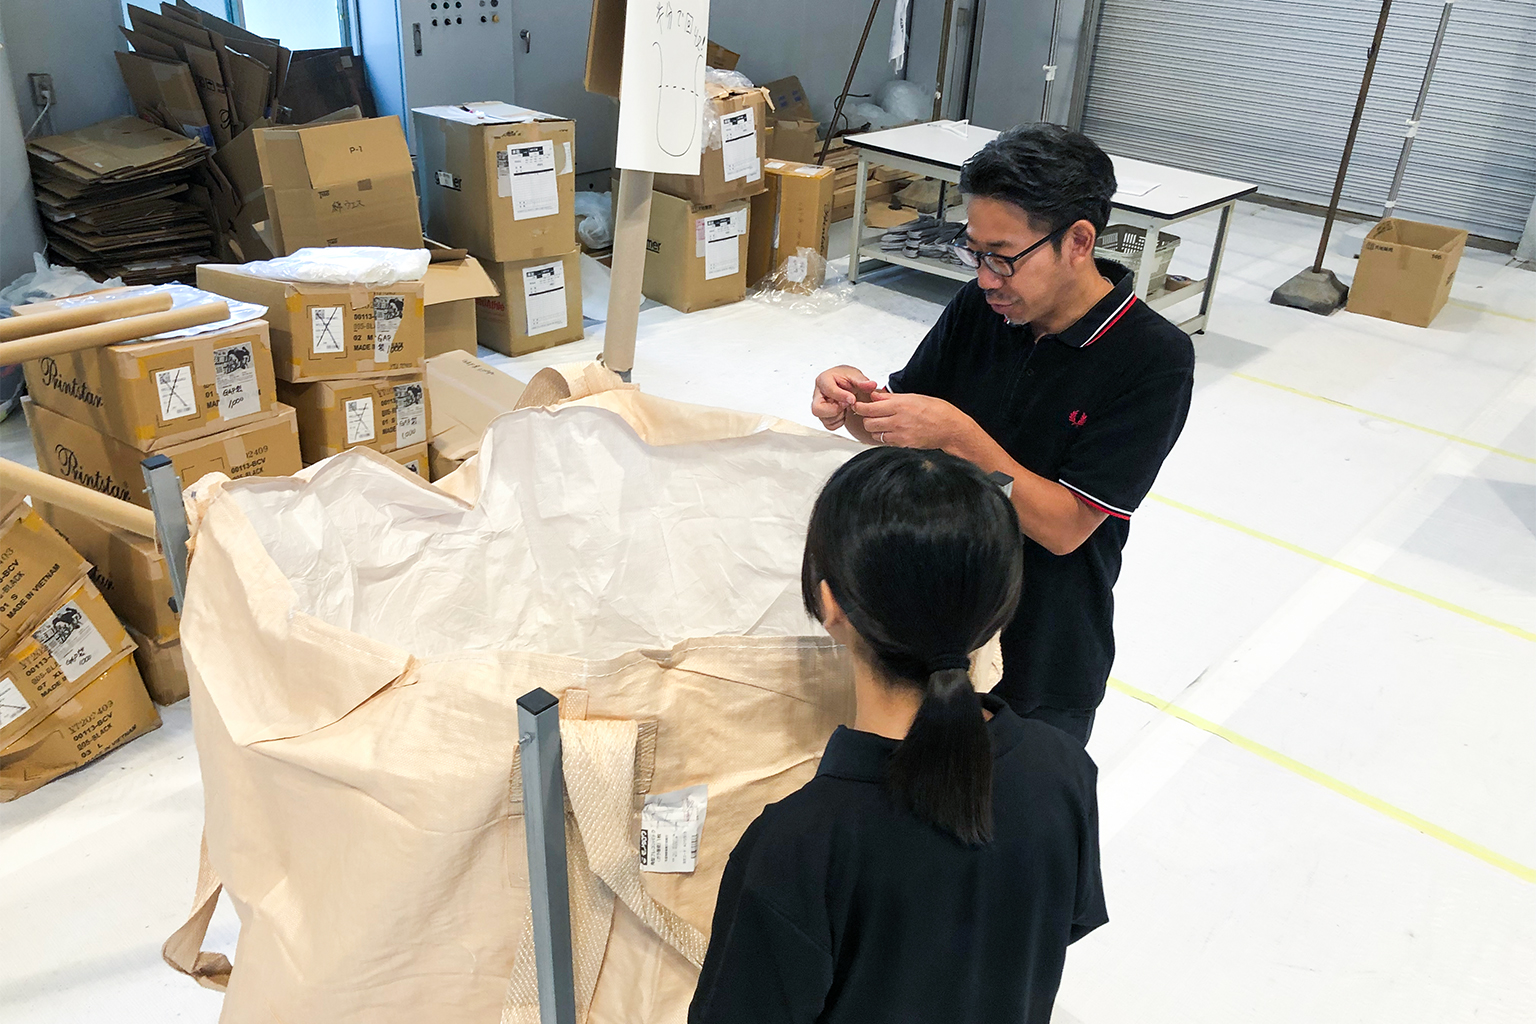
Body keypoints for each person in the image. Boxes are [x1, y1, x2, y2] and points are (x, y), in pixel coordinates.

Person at [688, 447, 1106, 1024]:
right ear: (1000, 607)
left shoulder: (798, 845)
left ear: (830, 603)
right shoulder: (1061, 768)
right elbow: (1055, 928)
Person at [812, 123, 1195, 744]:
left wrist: (961, 438)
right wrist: (854, 403)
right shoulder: (982, 309)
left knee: (1018, 794)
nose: (987, 277)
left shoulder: (1152, 357)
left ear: (1078, 241)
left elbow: (1067, 528)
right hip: (940, 628)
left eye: (1003, 256)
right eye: (974, 252)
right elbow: (903, 429)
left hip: (1041, 651)